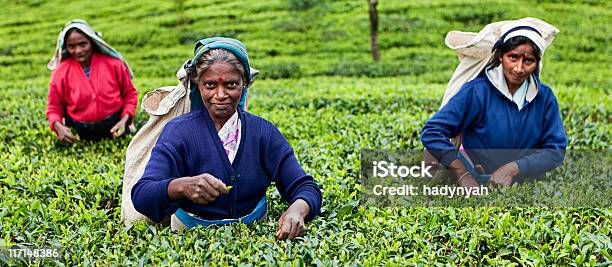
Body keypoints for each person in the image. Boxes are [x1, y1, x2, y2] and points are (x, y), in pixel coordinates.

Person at [131, 37, 322, 240]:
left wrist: (297, 210)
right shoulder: (179, 132)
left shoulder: (262, 132)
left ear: (245, 83)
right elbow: (143, 194)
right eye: (210, 85)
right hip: (190, 240)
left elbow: (305, 186)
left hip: (253, 241)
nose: (220, 95)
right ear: (198, 83)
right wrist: (180, 186)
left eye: (231, 84)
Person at [421, 20, 567, 187]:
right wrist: (463, 173)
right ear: (501, 57)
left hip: (523, 182)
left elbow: (555, 150)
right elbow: (432, 131)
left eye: (528, 61)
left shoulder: (544, 97)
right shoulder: (477, 91)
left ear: (537, 63)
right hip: (475, 173)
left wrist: (514, 168)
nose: (519, 68)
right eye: (513, 57)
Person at [46, 19, 138, 142]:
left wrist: (125, 120)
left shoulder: (114, 64)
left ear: (92, 42)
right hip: (79, 131)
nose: (78, 50)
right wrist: (58, 126)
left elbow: (129, 94)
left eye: (83, 44)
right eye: (71, 46)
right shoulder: (60, 72)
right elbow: (54, 107)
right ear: (66, 47)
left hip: (115, 125)